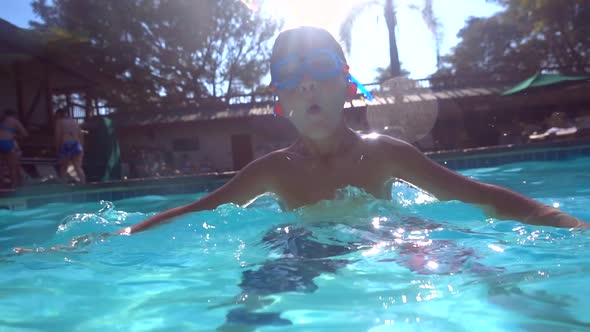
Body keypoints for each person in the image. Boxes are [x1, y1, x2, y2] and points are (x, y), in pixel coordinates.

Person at [119, 26, 589, 235]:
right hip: (302, 246)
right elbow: (199, 210)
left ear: (347, 84)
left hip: (388, 237)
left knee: (461, 263)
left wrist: (557, 218)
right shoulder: (272, 171)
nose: (306, 81)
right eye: (289, 73)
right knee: (253, 298)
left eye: (319, 66)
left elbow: (477, 195)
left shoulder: (387, 154)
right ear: (280, 102)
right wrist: (123, 235)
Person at [54, 108, 86, 183]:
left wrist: (57, 148)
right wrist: (82, 147)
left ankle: (63, 186)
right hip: (77, 144)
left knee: (64, 167)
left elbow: (58, 136)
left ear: (58, 114)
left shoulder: (59, 122)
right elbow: (81, 135)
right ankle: (83, 184)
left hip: (66, 144)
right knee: (78, 167)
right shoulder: (74, 122)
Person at [0, 108, 28, 188]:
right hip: (8, 142)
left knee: (1, 166)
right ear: (13, 114)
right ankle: (14, 185)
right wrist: (15, 136)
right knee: (12, 167)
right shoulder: (14, 121)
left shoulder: (1, 120)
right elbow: (25, 134)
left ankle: (1, 184)